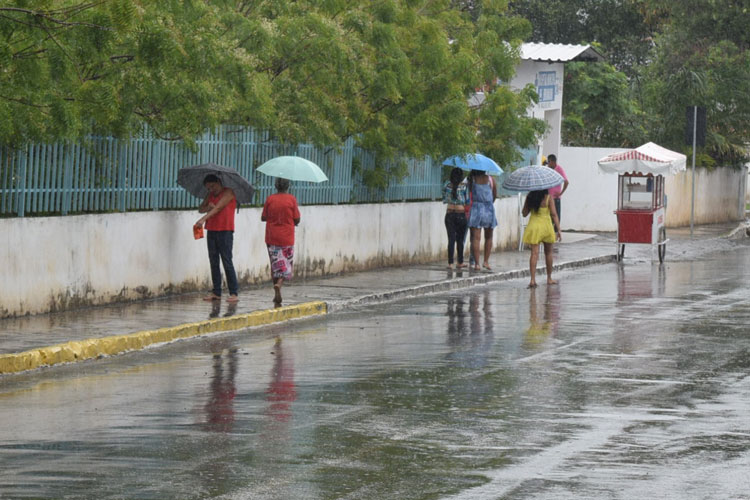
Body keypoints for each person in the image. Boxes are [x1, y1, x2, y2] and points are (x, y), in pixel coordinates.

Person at [196, 174, 239, 302]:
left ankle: (233, 292)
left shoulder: (229, 193)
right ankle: (216, 291)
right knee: (213, 261)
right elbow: (200, 208)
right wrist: (206, 208)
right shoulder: (209, 195)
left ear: (219, 182)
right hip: (212, 230)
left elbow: (219, 207)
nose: (211, 190)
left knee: (227, 261)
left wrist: (203, 218)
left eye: (213, 186)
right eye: (208, 188)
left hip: (225, 231)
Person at [261, 177, 300, 306]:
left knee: (275, 263)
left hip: (272, 236)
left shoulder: (270, 199)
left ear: (276, 186)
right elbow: (297, 219)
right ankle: (279, 284)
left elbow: (263, 217)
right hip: (287, 237)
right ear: (287, 186)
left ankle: (276, 291)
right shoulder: (291, 200)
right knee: (286, 263)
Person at [522, 189, 561, 288]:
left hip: (534, 227)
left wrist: (528, 204)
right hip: (546, 227)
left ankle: (532, 280)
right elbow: (554, 214)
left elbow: (524, 213)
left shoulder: (529, 197)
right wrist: (559, 230)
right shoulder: (548, 198)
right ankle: (549, 278)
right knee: (548, 253)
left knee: (534, 254)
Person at [467, 169, 497, 271]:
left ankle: (477, 264)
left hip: (476, 208)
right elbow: (494, 195)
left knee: (476, 238)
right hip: (489, 208)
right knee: (489, 237)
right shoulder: (491, 179)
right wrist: (487, 202)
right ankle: (486, 261)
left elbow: (469, 194)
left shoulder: (472, 180)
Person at [442, 167, 470, 269]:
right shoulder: (464, 186)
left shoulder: (447, 185)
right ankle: (460, 262)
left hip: (449, 214)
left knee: (451, 239)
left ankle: (450, 263)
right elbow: (467, 201)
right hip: (460, 214)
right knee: (460, 239)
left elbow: (444, 199)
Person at [546, 154, 569, 230]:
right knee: (548, 216)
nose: (548, 163)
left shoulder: (559, 169)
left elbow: (566, 182)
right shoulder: (547, 169)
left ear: (553, 161)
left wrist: (561, 193)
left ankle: (556, 232)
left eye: (549, 161)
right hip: (548, 198)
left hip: (555, 198)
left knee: (556, 216)